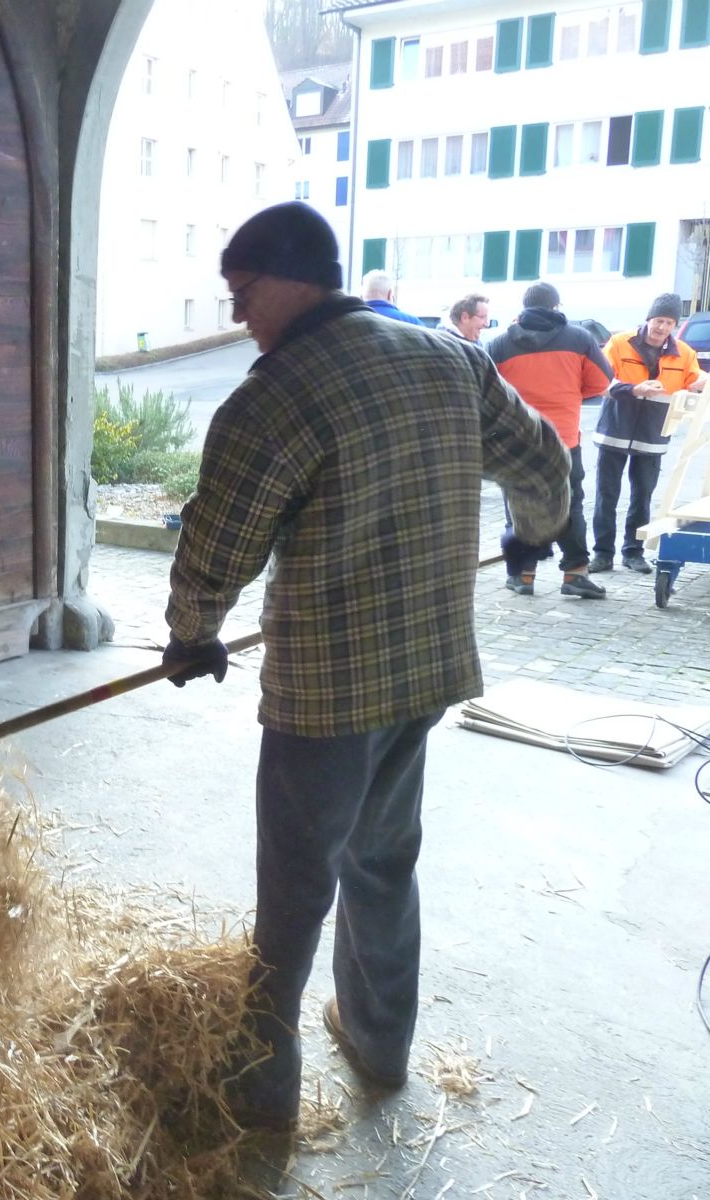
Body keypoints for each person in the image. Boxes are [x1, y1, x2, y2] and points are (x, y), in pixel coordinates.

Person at [162, 201, 571, 1134]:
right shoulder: (451, 358)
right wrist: (533, 535)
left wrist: (191, 635)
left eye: (243, 292)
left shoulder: (274, 396)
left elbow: (216, 550)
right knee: (383, 859)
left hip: (326, 697)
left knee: (294, 893)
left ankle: (262, 1096)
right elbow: (543, 463)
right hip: (424, 669)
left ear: (294, 277)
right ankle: (381, 1045)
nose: (239, 314)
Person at [487, 281, 612, 598]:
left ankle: (522, 576)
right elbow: (602, 381)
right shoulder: (579, 338)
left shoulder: (500, 344)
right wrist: (569, 392)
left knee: (519, 505)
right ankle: (575, 574)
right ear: (556, 306)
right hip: (563, 438)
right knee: (569, 505)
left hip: (517, 441)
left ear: (524, 307)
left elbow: (488, 392)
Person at [591, 293, 705, 573]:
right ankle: (602, 554)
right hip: (615, 429)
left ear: (674, 325)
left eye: (669, 322)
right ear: (648, 319)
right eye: (658, 320)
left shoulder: (685, 353)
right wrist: (634, 389)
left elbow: (696, 379)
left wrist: (702, 382)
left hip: (653, 435)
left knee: (642, 496)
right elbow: (600, 381)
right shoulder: (620, 343)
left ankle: (633, 552)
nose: (662, 327)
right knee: (606, 495)